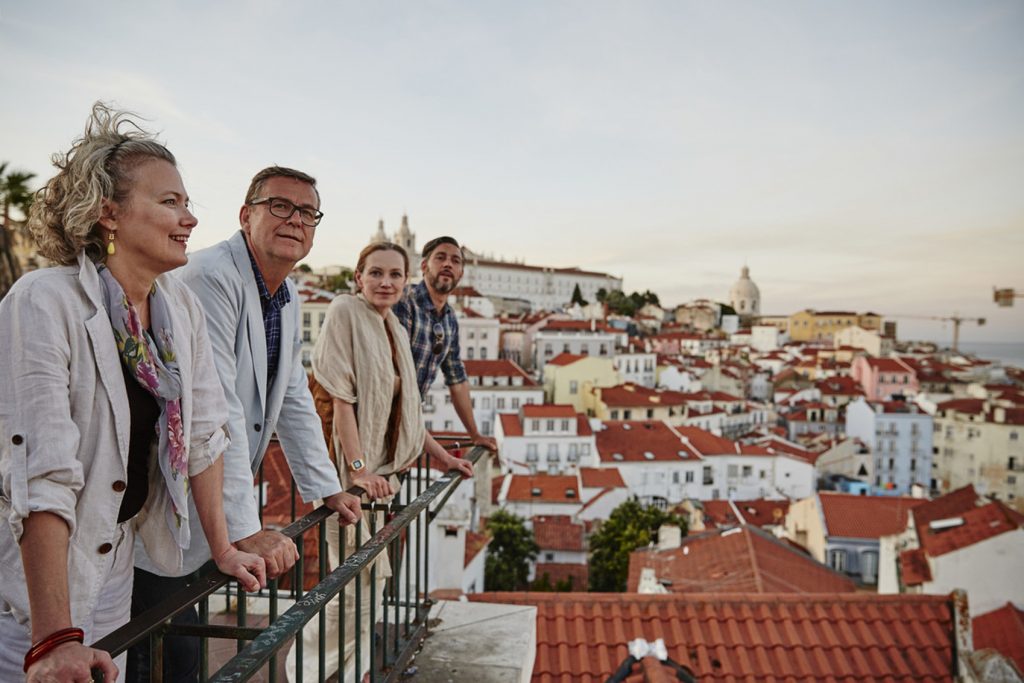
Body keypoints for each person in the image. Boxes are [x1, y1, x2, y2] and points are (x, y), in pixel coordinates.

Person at [0, 103, 265, 683]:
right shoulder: (45, 301)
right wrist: (54, 638)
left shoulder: (178, 309)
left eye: (187, 202)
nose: (190, 218)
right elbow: (39, 472)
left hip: (114, 563)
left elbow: (203, 437)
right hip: (28, 588)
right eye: (170, 201)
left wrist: (222, 550)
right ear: (108, 214)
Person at [128, 167, 363, 681]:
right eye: (280, 205)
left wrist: (326, 487)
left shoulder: (285, 292)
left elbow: (294, 394)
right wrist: (245, 530)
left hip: (199, 502)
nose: (295, 220)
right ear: (246, 214)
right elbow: (216, 409)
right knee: (163, 653)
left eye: (307, 212)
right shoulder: (212, 277)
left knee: (175, 646)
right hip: (159, 498)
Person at [287, 242, 470, 682]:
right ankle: (305, 669)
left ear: (405, 281)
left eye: (394, 275)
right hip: (339, 478)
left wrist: (443, 456)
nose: (385, 282)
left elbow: (405, 412)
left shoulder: (393, 327)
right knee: (362, 579)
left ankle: (355, 669)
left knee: (366, 582)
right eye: (376, 273)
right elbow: (341, 399)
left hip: (378, 477)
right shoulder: (345, 312)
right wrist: (357, 469)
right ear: (358, 276)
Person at [392, 235, 497, 459]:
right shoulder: (404, 302)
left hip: (405, 428)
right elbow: (393, 374)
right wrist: (442, 455)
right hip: (381, 418)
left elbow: (457, 380)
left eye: (456, 261)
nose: (448, 264)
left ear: (461, 274)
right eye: (440, 258)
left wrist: (475, 434)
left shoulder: (449, 320)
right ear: (423, 266)